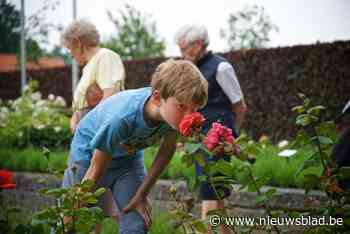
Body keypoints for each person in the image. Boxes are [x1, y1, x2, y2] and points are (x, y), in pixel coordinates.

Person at [62, 60, 208, 234]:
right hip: (88, 158)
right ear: (156, 97)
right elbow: (95, 169)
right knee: (73, 223)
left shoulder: (172, 117)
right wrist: (74, 210)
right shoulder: (122, 118)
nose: (188, 116)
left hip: (127, 161)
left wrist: (141, 194)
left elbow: (166, 152)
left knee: (137, 223)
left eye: (194, 109)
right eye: (182, 107)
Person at [175, 24, 247, 234]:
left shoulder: (221, 67)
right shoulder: (191, 69)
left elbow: (240, 105)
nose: (181, 55)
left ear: (197, 45)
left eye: (183, 49)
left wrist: (232, 136)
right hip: (200, 139)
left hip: (219, 139)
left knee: (210, 191)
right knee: (217, 193)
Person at [61, 19, 125, 230]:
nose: (70, 53)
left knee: (72, 203)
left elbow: (110, 99)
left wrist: (87, 131)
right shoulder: (91, 65)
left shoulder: (105, 56)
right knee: (88, 206)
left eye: (69, 47)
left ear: (78, 43)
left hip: (93, 141)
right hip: (87, 139)